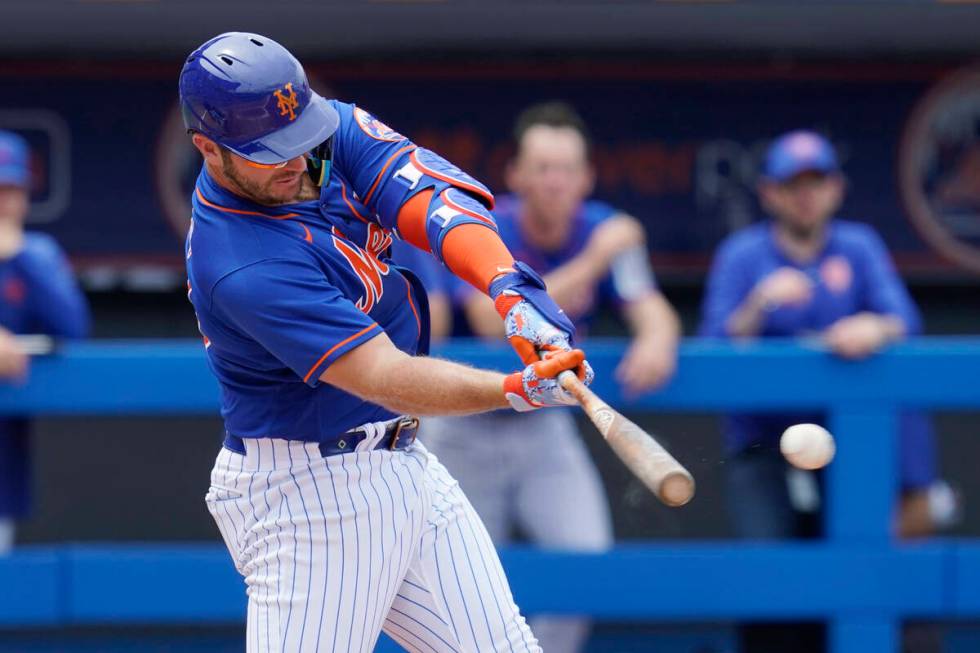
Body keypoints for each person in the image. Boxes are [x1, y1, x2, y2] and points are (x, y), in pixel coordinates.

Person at [181, 33, 595, 652]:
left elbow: (431, 199)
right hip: (309, 498)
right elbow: (380, 373)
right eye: (273, 153)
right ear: (209, 149)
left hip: (403, 463)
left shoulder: (314, 132)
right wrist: (514, 389)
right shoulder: (240, 262)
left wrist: (510, 290)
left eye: (301, 139)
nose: (297, 161)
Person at [421, 101, 681, 653]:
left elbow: (649, 305)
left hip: (545, 426)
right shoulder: (486, 223)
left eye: (566, 169)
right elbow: (491, 325)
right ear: (516, 174)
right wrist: (593, 262)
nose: (555, 182)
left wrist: (658, 336)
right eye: (542, 168)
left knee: (585, 564)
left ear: (586, 177)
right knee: (457, 586)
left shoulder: (602, 228)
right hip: (467, 418)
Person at [699, 129, 944, 653]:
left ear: (836, 188)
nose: (805, 194)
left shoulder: (858, 246)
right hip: (762, 443)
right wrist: (759, 304)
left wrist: (872, 329)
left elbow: (903, 318)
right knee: (768, 579)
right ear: (769, 193)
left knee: (863, 569)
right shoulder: (744, 255)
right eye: (793, 184)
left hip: (847, 441)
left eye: (817, 182)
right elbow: (713, 346)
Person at [0, 130, 90, 553]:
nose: (3, 200)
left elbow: (72, 327)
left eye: (10, 188)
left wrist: (17, 254)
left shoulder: (35, 256)